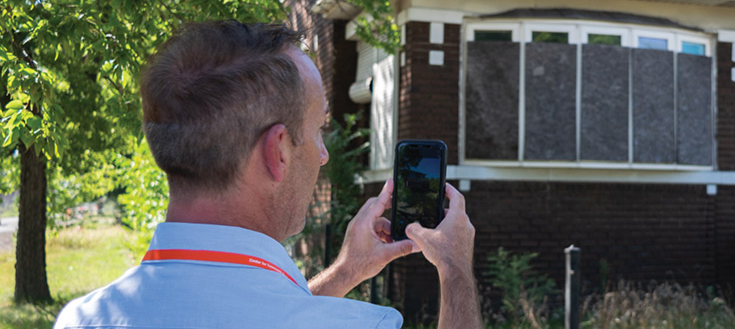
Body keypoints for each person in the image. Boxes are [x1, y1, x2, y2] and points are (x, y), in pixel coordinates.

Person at [55, 21, 481, 328]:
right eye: (318, 130)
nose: (323, 155)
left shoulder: (81, 318)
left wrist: (345, 272)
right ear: (277, 151)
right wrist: (456, 270)